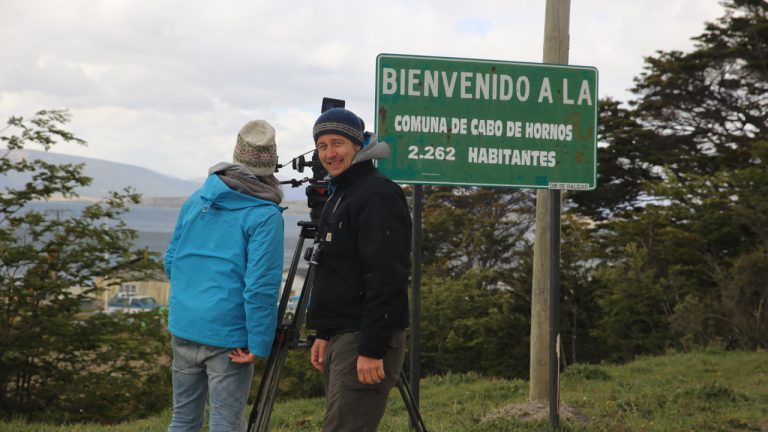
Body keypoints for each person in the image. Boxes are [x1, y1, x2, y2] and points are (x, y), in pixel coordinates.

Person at [164, 120, 285, 432]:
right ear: (271, 162)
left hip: (185, 325)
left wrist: (193, 299)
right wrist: (259, 343)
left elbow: (171, 261)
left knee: (183, 420)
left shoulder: (198, 198)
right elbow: (259, 287)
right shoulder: (265, 215)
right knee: (226, 424)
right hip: (230, 337)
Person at [306, 107, 412, 431]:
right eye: (322, 146)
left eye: (337, 143)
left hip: (364, 337)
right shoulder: (344, 191)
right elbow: (335, 269)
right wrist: (324, 333)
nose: (329, 153)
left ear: (356, 145)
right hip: (343, 334)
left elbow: (387, 276)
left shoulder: (377, 194)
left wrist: (371, 349)